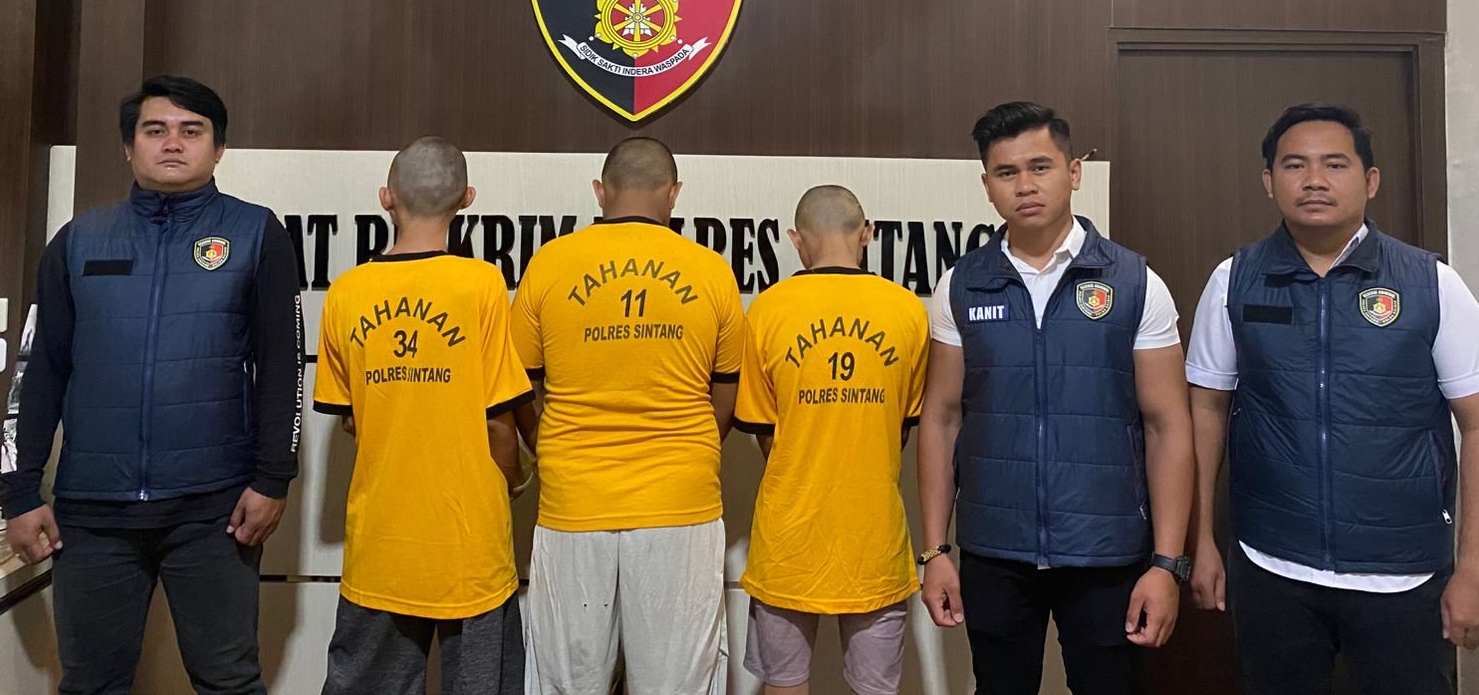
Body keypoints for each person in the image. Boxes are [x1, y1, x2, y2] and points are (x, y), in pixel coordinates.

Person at [1186, 104, 1479, 695]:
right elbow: (1206, 411)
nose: (1314, 180)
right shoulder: (1234, 280)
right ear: (1269, 181)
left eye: (1335, 164)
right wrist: (1202, 540)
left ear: (1370, 180)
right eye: (1295, 165)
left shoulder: (1431, 283)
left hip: (1404, 574)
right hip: (1271, 566)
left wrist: (1478, 564)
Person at [2, 75, 304, 695]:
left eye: (192, 131)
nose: (173, 143)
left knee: (228, 680)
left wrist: (273, 478)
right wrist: (20, 491)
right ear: (128, 146)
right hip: (92, 512)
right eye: (155, 130)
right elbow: (39, 371)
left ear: (218, 149)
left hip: (214, 511)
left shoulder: (256, 233)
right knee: (91, 683)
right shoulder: (78, 241)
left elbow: (282, 367)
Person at [917, 101, 1194, 694]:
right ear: (987, 185)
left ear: (1073, 172)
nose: (1025, 186)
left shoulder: (1135, 283)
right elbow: (940, 419)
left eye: (1039, 167)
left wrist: (1167, 564)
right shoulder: (961, 284)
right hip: (996, 551)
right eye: (1007, 172)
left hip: (1107, 553)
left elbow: (1167, 424)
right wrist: (934, 550)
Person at [509, 137, 745, 695]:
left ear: (600, 191)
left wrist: (551, 443)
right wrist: (689, 447)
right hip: (680, 502)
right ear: (674, 194)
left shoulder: (550, 264)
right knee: (677, 685)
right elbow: (728, 395)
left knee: (567, 683)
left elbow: (517, 387)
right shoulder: (710, 271)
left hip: (574, 501)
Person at [313, 137, 535, 695]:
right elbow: (498, 421)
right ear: (467, 199)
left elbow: (353, 418)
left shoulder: (346, 292)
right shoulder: (482, 284)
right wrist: (516, 479)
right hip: (471, 543)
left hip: (381, 541)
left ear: (386, 197)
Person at [733, 185, 930, 695]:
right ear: (868, 233)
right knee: (875, 689)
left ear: (796, 239)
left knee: (784, 686)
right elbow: (903, 427)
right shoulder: (907, 310)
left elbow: (765, 433)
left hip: (788, 539)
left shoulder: (767, 311)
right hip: (874, 540)